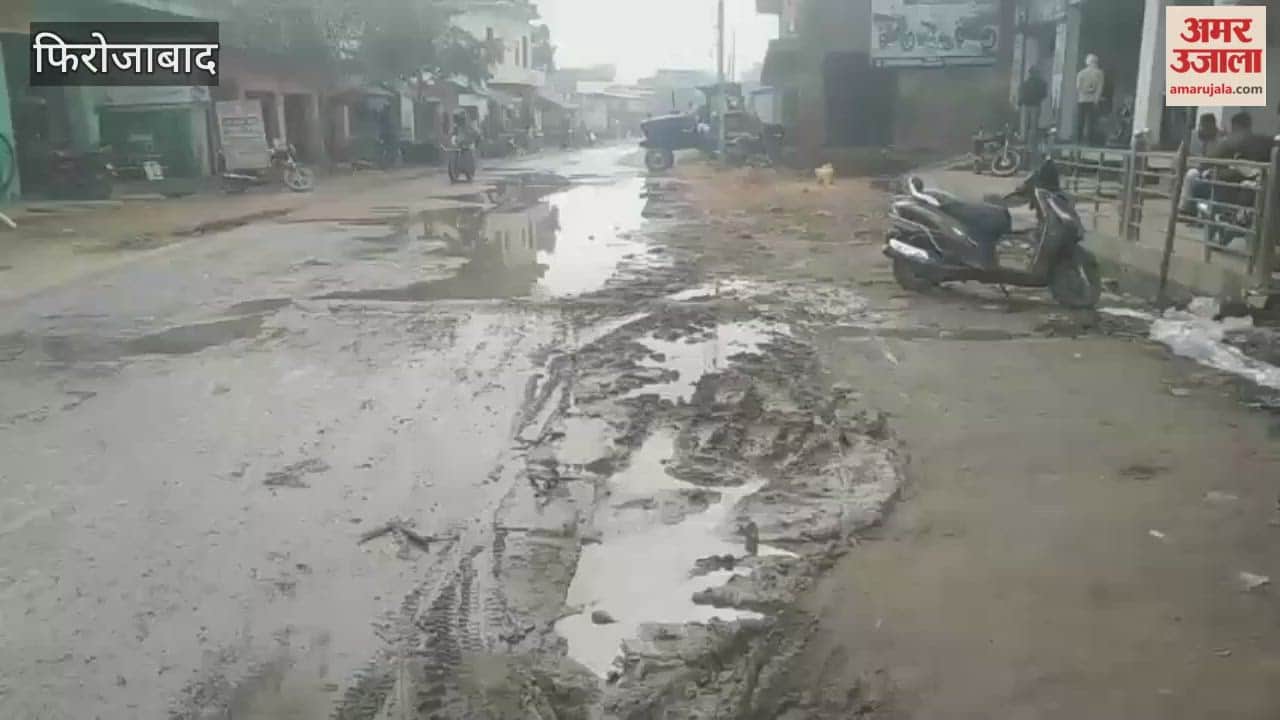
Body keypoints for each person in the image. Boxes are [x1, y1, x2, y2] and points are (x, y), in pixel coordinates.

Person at [1181, 111, 1274, 214]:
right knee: (1203, 182)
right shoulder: (1257, 142)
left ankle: (1205, 214)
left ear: (1236, 128)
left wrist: (1218, 172)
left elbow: (1209, 161)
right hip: (1240, 184)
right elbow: (1208, 162)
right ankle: (1203, 213)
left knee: (1203, 185)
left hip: (1240, 186)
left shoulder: (1230, 142)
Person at [1018, 69, 1048, 162]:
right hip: (1035, 105)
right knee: (1033, 126)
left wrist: (1020, 102)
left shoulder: (1025, 83)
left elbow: (1021, 93)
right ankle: (1031, 143)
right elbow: (1044, 94)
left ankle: (1024, 140)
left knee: (1025, 125)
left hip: (1026, 105)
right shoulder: (1042, 83)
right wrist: (1038, 98)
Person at [1075, 54, 1105, 145]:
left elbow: (1078, 87)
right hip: (1093, 100)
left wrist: (1085, 91)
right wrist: (1096, 98)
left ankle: (1078, 140)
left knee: (1081, 120)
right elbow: (1100, 87)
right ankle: (1090, 141)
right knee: (1091, 121)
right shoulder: (1099, 73)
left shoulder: (1081, 73)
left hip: (1082, 99)